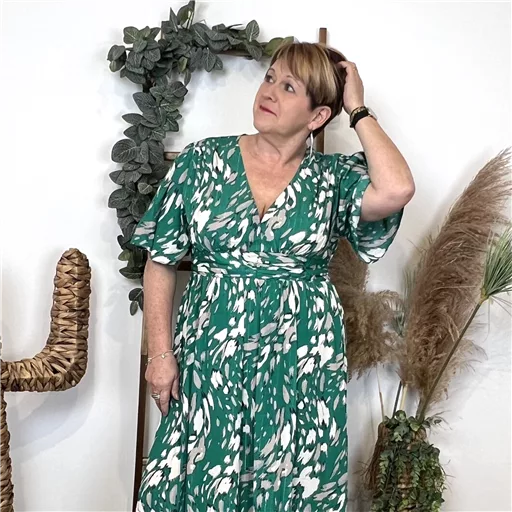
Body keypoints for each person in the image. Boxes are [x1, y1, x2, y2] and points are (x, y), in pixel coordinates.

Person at [130, 41, 415, 512]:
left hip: (300, 365)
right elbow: (160, 261)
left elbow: (398, 188)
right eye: (270, 78)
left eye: (289, 87)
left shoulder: (333, 179)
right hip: (211, 359)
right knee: (201, 475)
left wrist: (358, 108)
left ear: (318, 116)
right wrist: (160, 355)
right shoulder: (202, 162)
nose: (269, 92)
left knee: (291, 481)